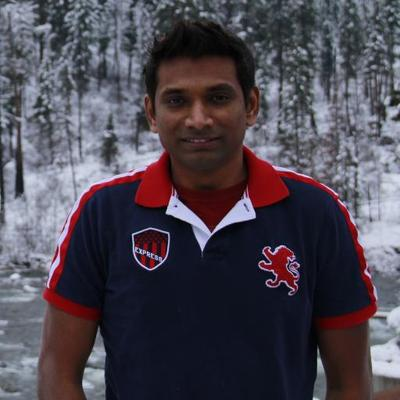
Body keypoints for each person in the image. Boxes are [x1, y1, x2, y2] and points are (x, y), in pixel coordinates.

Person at [38, 20, 377, 400]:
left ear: (251, 105)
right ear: (152, 113)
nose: (198, 119)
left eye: (218, 98)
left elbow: (350, 383)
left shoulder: (316, 214)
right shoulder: (102, 214)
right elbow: (57, 371)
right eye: (176, 101)